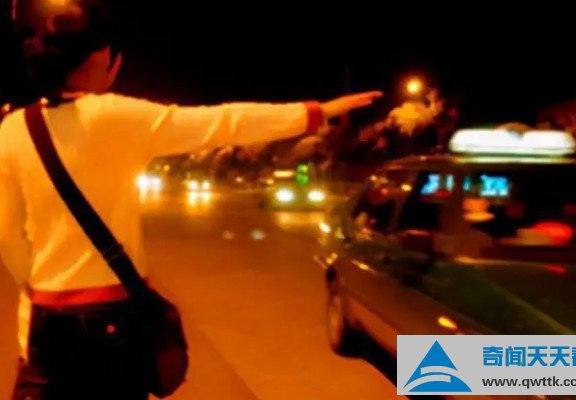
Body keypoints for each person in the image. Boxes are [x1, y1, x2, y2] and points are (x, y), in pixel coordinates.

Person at [0, 1, 382, 399]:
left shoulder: (13, 129)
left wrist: (43, 286)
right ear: (99, 56)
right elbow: (223, 122)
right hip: (113, 325)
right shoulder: (115, 118)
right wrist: (315, 113)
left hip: (46, 323)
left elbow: (7, 236)